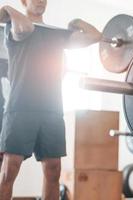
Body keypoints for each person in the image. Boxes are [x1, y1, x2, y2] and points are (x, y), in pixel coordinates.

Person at [0, 0, 102, 199]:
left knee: (53, 170)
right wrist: (9, 9)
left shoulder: (56, 34)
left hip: (52, 110)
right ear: (24, 1)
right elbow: (26, 28)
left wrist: (77, 22)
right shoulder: (13, 27)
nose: (40, 1)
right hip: (21, 107)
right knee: (9, 170)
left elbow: (96, 36)